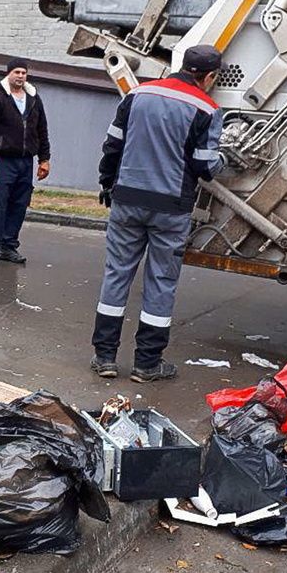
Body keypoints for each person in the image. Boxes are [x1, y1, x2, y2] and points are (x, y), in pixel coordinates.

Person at [89, 45, 224, 383]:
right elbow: (205, 167)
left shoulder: (138, 94)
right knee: (160, 283)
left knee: (116, 274)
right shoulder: (206, 108)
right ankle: (147, 364)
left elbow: (112, 146)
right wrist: (226, 157)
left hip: (127, 198)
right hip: (170, 208)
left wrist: (108, 184)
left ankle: (104, 357)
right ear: (209, 77)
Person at [0, 57, 51, 267]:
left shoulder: (34, 98)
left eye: (23, 73)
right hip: (2, 160)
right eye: (17, 72)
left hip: (25, 161)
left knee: (19, 205)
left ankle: (9, 247)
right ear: (8, 73)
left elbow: (42, 130)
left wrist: (44, 159)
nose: (20, 76)